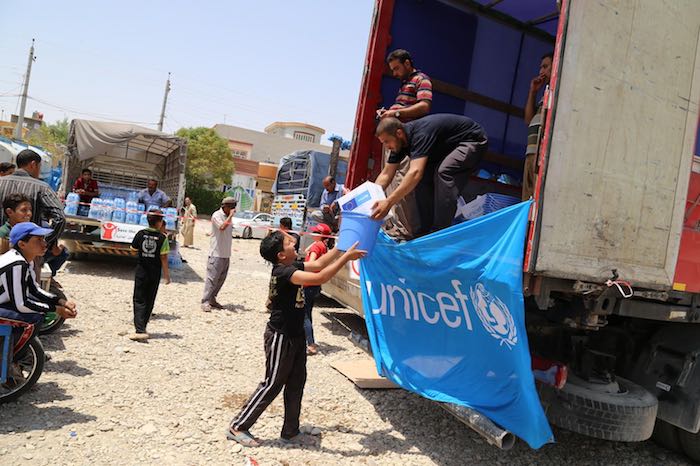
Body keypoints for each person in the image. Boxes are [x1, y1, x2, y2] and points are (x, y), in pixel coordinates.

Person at [227, 231, 365, 447]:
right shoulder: (284, 272)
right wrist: (346, 258)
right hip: (280, 335)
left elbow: (318, 264)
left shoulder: (293, 266)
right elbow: (320, 277)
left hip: (296, 335)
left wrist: (340, 248)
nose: (294, 243)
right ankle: (238, 426)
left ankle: (290, 431)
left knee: (296, 382)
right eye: (289, 243)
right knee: (273, 383)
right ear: (281, 255)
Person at [371, 114, 488, 236]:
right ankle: (424, 232)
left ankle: (440, 231)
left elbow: (415, 173)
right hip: (448, 147)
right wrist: (370, 199)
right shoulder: (398, 144)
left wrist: (388, 202)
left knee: (444, 172)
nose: (387, 147)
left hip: (473, 141)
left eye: (387, 141)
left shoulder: (420, 135)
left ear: (399, 133)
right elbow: (386, 174)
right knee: (423, 180)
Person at [0, 223, 77, 364]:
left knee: (36, 314)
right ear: (22, 244)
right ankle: (10, 360)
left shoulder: (24, 261)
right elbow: (22, 304)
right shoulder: (16, 264)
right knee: (34, 319)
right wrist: (56, 310)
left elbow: (35, 290)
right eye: (38, 240)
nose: (44, 244)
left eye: (43, 239)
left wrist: (61, 301)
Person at [0, 150, 65, 249]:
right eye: (39, 167)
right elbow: (60, 218)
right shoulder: (42, 187)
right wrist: (43, 242)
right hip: (27, 250)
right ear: (33, 164)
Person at [129, 209, 171, 341]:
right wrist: (167, 275)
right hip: (155, 273)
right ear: (159, 222)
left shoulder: (140, 234)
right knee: (149, 299)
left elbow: (133, 251)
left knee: (138, 298)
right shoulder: (163, 238)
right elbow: (164, 258)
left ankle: (139, 329)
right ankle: (143, 327)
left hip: (141, 271)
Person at [522, 52, 553, 201]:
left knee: (536, 198)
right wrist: (533, 92)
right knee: (527, 197)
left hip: (538, 156)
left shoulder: (555, 95)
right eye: (541, 67)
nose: (541, 71)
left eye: (546, 67)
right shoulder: (543, 97)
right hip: (530, 154)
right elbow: (528, 120)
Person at [377, 49, 433, 122]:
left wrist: (395, 113)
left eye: (396, 68)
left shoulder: (421, 79)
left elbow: (424, 107)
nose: (394, 74)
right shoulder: (405, 83)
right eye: (393, 70)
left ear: (407, 63)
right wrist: (387, 113)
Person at [201, 197, 236, 312]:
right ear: (225, 206)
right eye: (231, 207)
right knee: (212, 279)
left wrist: (230, 217)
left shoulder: (228, 218)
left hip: (226, 253)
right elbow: (222, 228)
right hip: (216, 253)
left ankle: (212, 298)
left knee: (221, 279)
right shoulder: (217, 215)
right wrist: (230, 216)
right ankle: (205, 301)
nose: (233, 209)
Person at [303, 223, 331, 356]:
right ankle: (308, 340)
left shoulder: (316, 246)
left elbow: (311, 263)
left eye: (315, 232)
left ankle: (311, 344)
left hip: (308, 283)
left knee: (304, 315)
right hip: (315, 283)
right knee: (307, 312)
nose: (312, 233)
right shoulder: (323, 246)